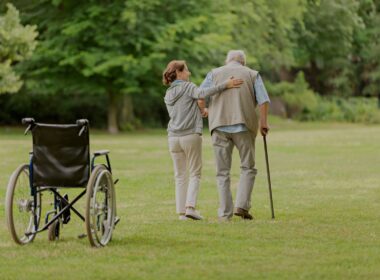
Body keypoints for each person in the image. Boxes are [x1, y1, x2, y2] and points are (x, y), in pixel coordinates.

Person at [163, 60, 243, 220]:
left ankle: (182, 212)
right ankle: (190, 207)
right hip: (190, 135)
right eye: (186, 70)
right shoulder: (188, 87)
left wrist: (201, 111)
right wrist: (226, 85)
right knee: (195, 173)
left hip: (173, 138)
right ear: (178, 73)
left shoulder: (168, 93)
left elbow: (183, 110)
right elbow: (203, 93)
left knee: (179, 175)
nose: (189, 73)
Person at [199, 50, 270, 221]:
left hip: (219, 126)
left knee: (222, 172)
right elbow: (264, 100)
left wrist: (204, 110)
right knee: (248, 167)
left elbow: (200, 96)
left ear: (227, 60)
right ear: (243, 62)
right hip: (244, 126)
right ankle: (242, 206)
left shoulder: (214, 73)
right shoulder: (252, 74)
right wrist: (263, 123)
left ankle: (224, 214)